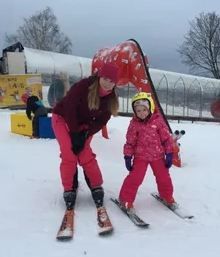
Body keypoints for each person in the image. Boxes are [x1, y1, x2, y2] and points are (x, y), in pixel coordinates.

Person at [52, 62, 120, 212]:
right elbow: (69, 109)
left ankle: (96, 186)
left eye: (112, 81)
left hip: (84, 126)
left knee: (85, 154)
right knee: (69, 153)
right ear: (99, 76)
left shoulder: (111, 99)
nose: (108, 84)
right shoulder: (83, 86)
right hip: (63, 118)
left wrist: (86, 134)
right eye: (105, 79)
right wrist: (75, 134)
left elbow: (102, 120)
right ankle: (69, 188)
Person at [118, 92, 178, 214]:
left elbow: (166, 139)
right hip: (141, 157)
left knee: (164, 178)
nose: (141, 113)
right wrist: (128, 156)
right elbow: (130, 142)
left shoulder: (158, 122)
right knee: (135, 178)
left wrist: (169, 154)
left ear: (150, 108)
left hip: (158, 156)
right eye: (138, 111)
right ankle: (125, 199)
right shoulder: (134, 124)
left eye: (144, 110)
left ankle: (167, 196)